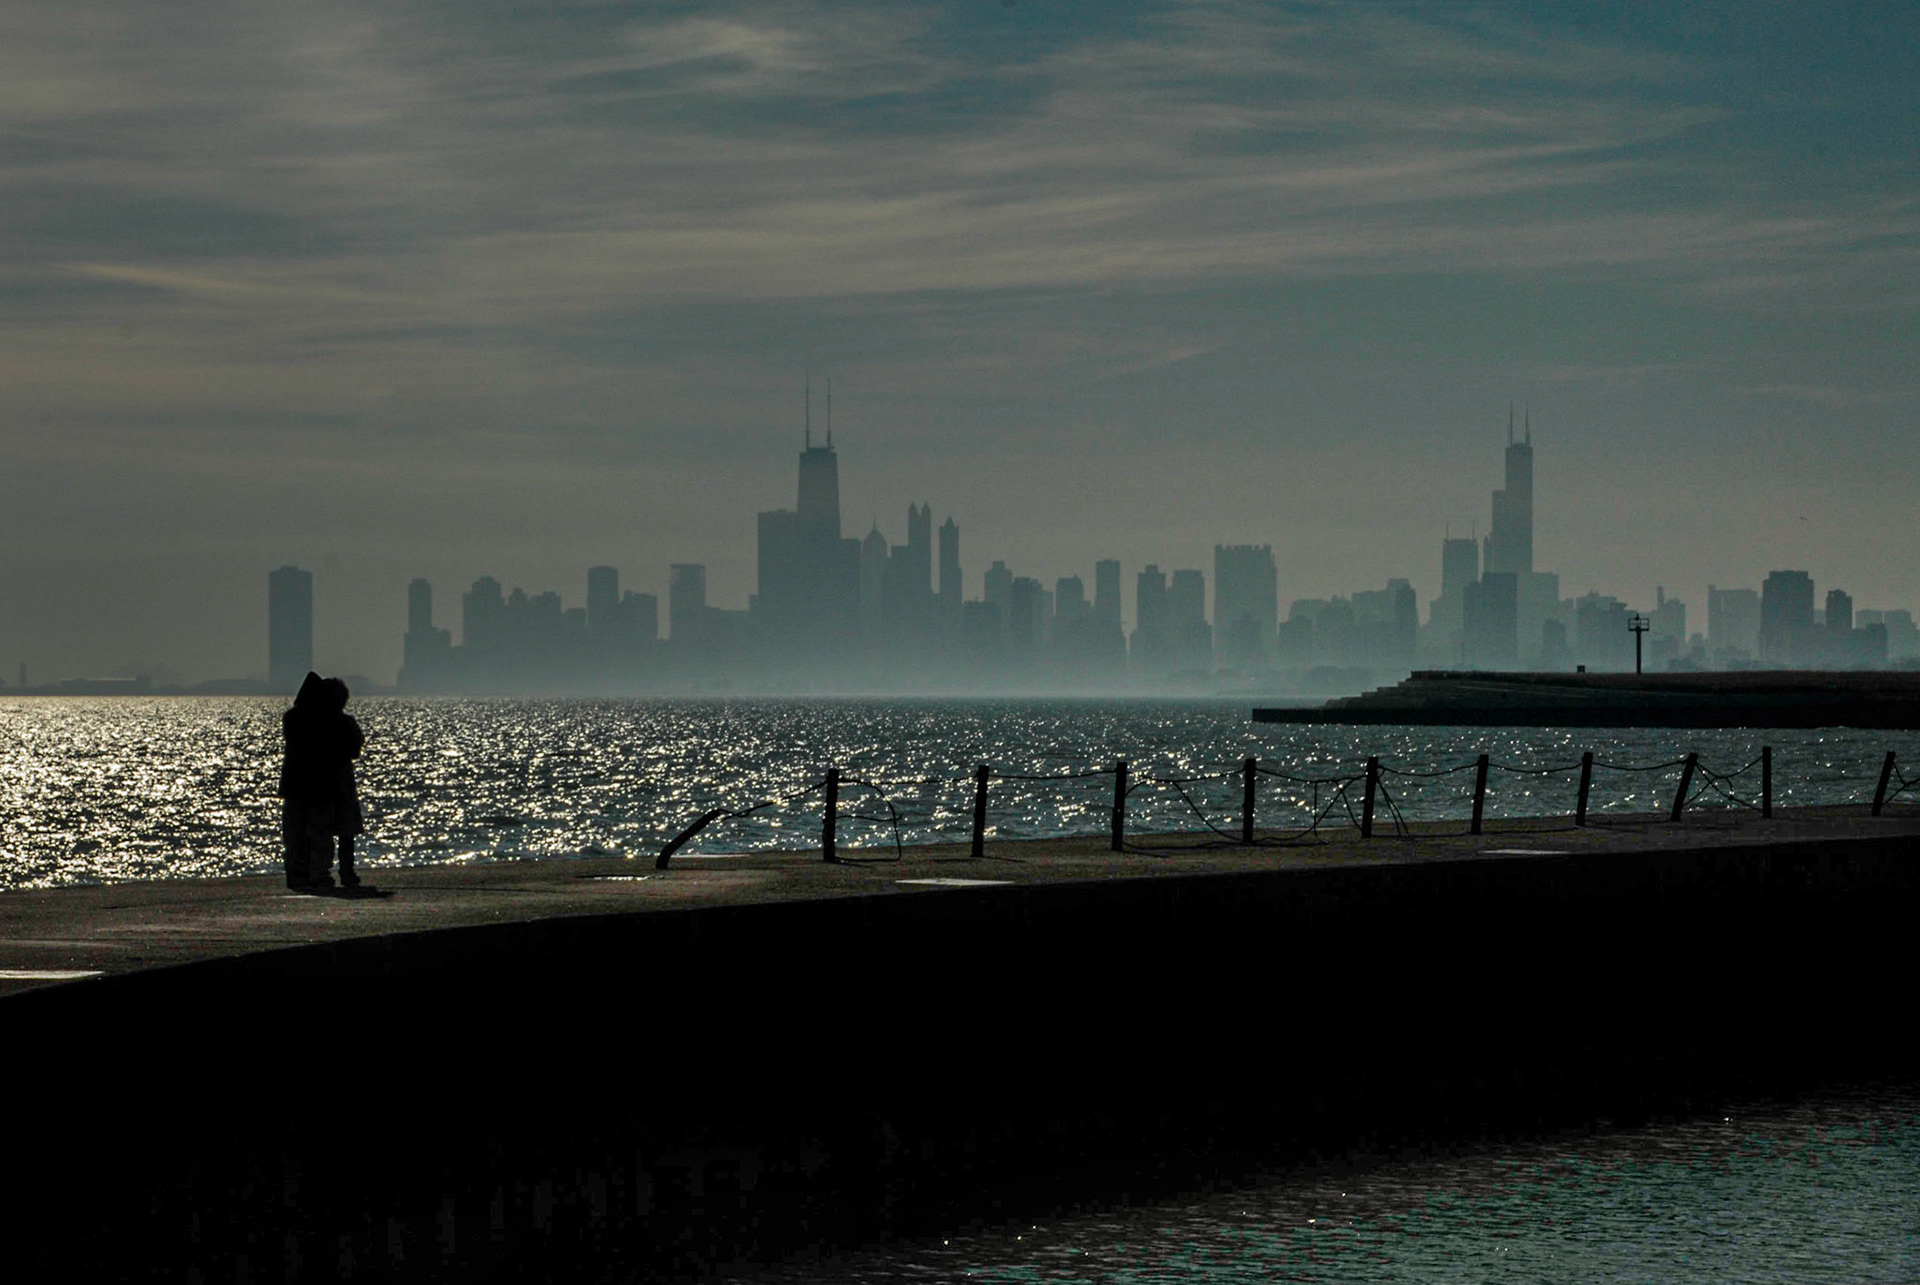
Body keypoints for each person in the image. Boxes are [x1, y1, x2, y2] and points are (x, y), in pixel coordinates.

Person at [279, 672, 335, 889]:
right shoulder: (322, 720)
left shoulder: (291, 718)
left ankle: (296, 872)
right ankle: (317, 872)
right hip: (317, 785)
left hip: (294, 785)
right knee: (318, 832)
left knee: (294, 833)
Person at [324, 677, 367, 888]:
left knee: (323, 830)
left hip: (321, 781)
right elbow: (355, 749)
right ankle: (347, 872)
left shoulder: (316, 725)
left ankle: (321, 871)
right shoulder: (347, 723)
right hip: (341, 780)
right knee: (346, 831)